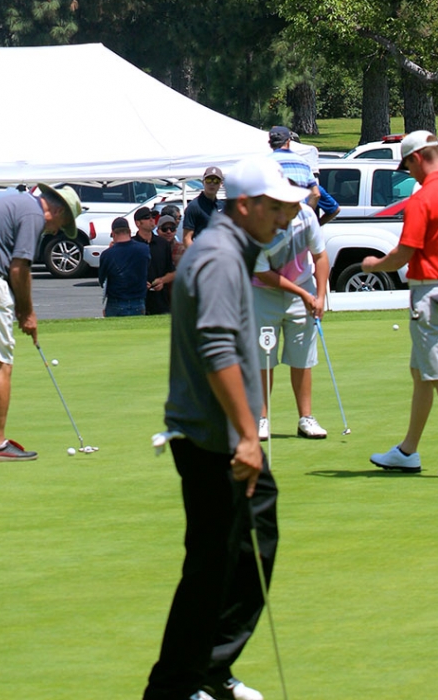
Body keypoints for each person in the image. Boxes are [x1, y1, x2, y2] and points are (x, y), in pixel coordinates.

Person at [143, 155, 305, 700]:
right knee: (211, 568)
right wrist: (247, 434)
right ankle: (175, 685)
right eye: (278, 207)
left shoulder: (236, 250)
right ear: (246, 205)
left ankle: (209, 667)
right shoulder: (216, 257)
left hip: (224, 437)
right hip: (212, 439)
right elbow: (216, 348)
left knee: (249, 549)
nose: (285, 217)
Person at [0, 182, 80, 461]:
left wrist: (21, 309)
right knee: (0, 364)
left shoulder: (13, 202)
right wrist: (28, 312)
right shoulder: (32, 215)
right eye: (61, 224)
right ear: (56, 210)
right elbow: (19, 267)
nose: (55, 231)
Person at [363, 131, 438, 475]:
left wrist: (372, 265)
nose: (409, 173)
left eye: (407, 166)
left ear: (417, 158)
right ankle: (408, 451)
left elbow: (404, 253)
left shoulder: (423, 199)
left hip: (430, 294)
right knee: (421, 373)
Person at [251, 170, 331, 441]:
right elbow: (263, 273)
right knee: (264, 356)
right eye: (293, 202)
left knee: (302, 356)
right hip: (263, 293)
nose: (300, 206)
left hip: (303, 287)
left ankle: (305, 418)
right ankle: (261, 418)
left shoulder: (307, 217)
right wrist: (303, 294)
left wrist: (319, 296)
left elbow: (320, 257)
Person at [268, 125, 340, 224]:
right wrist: (306, 220)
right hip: (299, 225)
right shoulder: (303, 163)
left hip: (276, 225)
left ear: (270, 144)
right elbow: (316, 194)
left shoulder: (266, 162)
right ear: (289, 142)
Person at [98, 216, 150, 316]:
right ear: (129, 232)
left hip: (116, 302)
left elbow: (102, 280)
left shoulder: (107, 254)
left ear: (113, 234)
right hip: (138, 301)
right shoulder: (144, 249)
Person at [135, 208, 177, 315]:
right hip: (137, 301)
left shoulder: (163, 244)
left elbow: (173, 272)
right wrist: (138, 283)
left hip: (161, 301)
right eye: (147, 218)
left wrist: (162, 280)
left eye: (152, 217)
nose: (152, 220)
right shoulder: (131, 244)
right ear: (138, 223)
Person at [182, 167, 223, 248]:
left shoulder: (223, 206)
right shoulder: (194, 206)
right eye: (208, 180)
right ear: (203, 182)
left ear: (221, 184)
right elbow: (187, 238)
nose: (212, 184)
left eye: (216, 181)